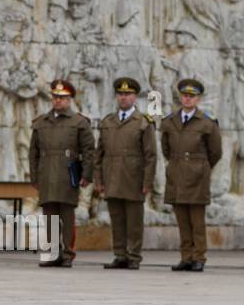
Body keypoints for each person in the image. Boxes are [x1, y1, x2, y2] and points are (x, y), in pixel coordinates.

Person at [29, 79, 96, 268]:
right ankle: (52, 253)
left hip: (68, 175)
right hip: (47, 174)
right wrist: (34, 176)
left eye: (63, 98)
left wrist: (87, 175)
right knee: (49, 215)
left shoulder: (79, 122)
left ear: (70, 99)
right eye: (56, 97)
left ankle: (67, 253)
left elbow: (89, 151)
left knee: (67, 216)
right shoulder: (41, 122)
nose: (58, 101)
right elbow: (33, 153)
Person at [161, 78, 223, 271]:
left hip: (197, 177)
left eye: (192, 96)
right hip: (177, 176)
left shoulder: (207, 123)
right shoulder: (170, 122)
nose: (187, 99)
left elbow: (215, 152)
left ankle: (199, 257)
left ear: (198, 99)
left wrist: (200, 166)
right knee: (182, 221)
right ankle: (186, 256)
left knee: (197, 222)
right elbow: (166, 149)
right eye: (185, 96)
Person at [95, 76, 156, 270]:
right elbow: (99, 154)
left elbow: (151, 156)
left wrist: (147, 181)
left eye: (128, 94)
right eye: (120, 94)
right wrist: (99, 179)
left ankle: (133, 255)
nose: (123, 98)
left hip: (133, 178)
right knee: (117, 220)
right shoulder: (108, 121)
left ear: (135, 97)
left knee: (134, 222)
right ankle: (120, 254)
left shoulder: (143, 122)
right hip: (112, 177)